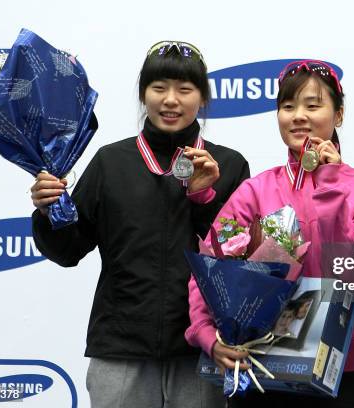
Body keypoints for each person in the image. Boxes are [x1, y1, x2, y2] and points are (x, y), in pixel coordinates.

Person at [30, 41, 249, 408]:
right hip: (120, 350)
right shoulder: (110, 162)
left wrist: (203, 198)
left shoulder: (228, 166)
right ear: (143, 94)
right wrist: (49, 209)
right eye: (159, 87)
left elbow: (239, 261)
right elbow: (68, 250)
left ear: (203, 98)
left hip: (200, 352)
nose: (171, 100)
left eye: (185, 89)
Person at [186, 59, 354, 408]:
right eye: (288, 106)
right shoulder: (256, 189)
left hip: (337, 374)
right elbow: (210, 268)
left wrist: (331, 185)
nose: (298, 116)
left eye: (313, 105)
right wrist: (207, 336)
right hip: (259, 370)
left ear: (338, 115)